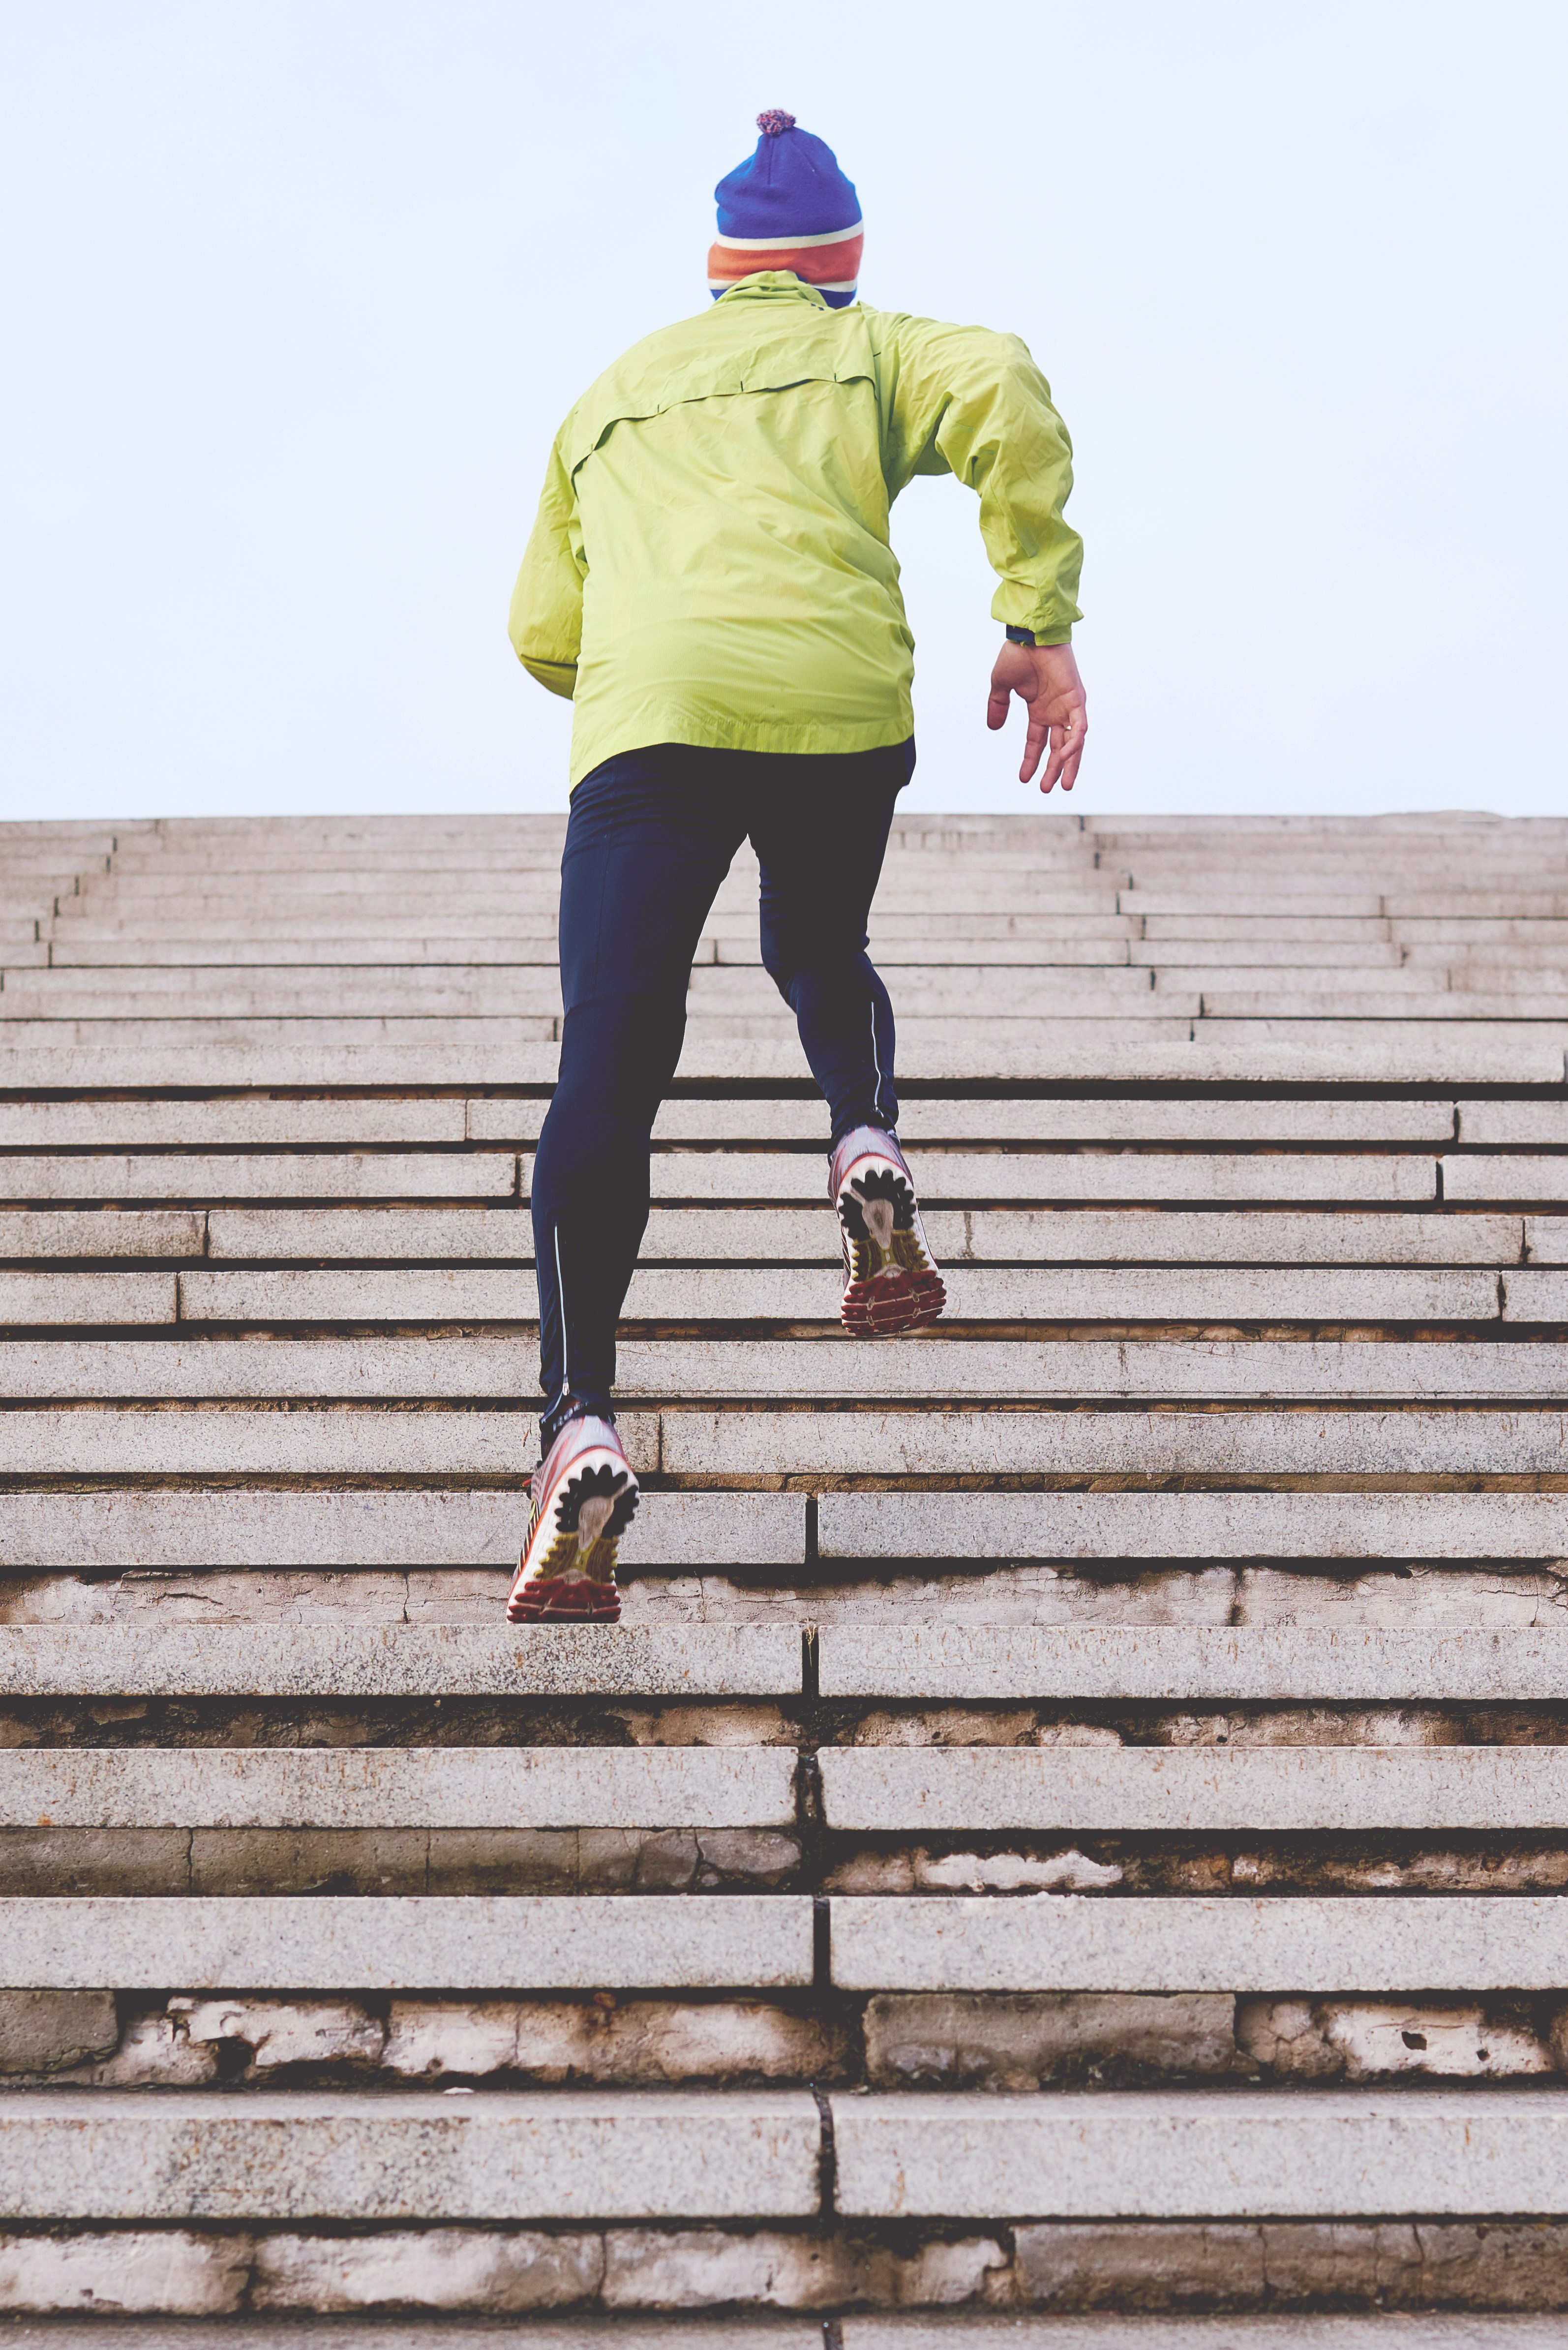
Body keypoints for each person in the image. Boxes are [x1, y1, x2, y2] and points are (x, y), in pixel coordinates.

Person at [506, 111, 1086, 1624]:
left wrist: (654, 656)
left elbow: (539, 629)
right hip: (835, 704)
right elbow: (1004, 385)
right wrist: (1033, 614)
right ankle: (863, 1138)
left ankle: (577, 1413)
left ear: (717, 268)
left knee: (613, 1055)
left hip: (651, 725)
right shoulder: (874, 345)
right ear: (838, 264)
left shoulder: (611, 392)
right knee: (817, 947)